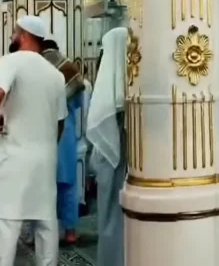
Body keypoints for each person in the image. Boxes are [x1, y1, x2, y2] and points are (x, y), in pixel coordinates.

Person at [0, 16, 66, 266]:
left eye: (14, 33)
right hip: (44, 160)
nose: (12, 37)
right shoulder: (55, 75)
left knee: (6, 226)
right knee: (45, 225)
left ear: (24, 35)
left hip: (13, 158)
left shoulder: (11, 61)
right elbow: (60, 122)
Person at [87, 27, 127, 266]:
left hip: (112, 168)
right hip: (126, 169)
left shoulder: (110, 87)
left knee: (112, 217)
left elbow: (99, 127)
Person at [41, 38, 84, 246]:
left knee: (42, 185)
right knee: (67, 185)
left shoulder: (37, 70)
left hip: (40, 133)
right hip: (65, 135)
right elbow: (77, 103)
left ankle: (41, 234)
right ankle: (70, 232)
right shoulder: (68, 68)